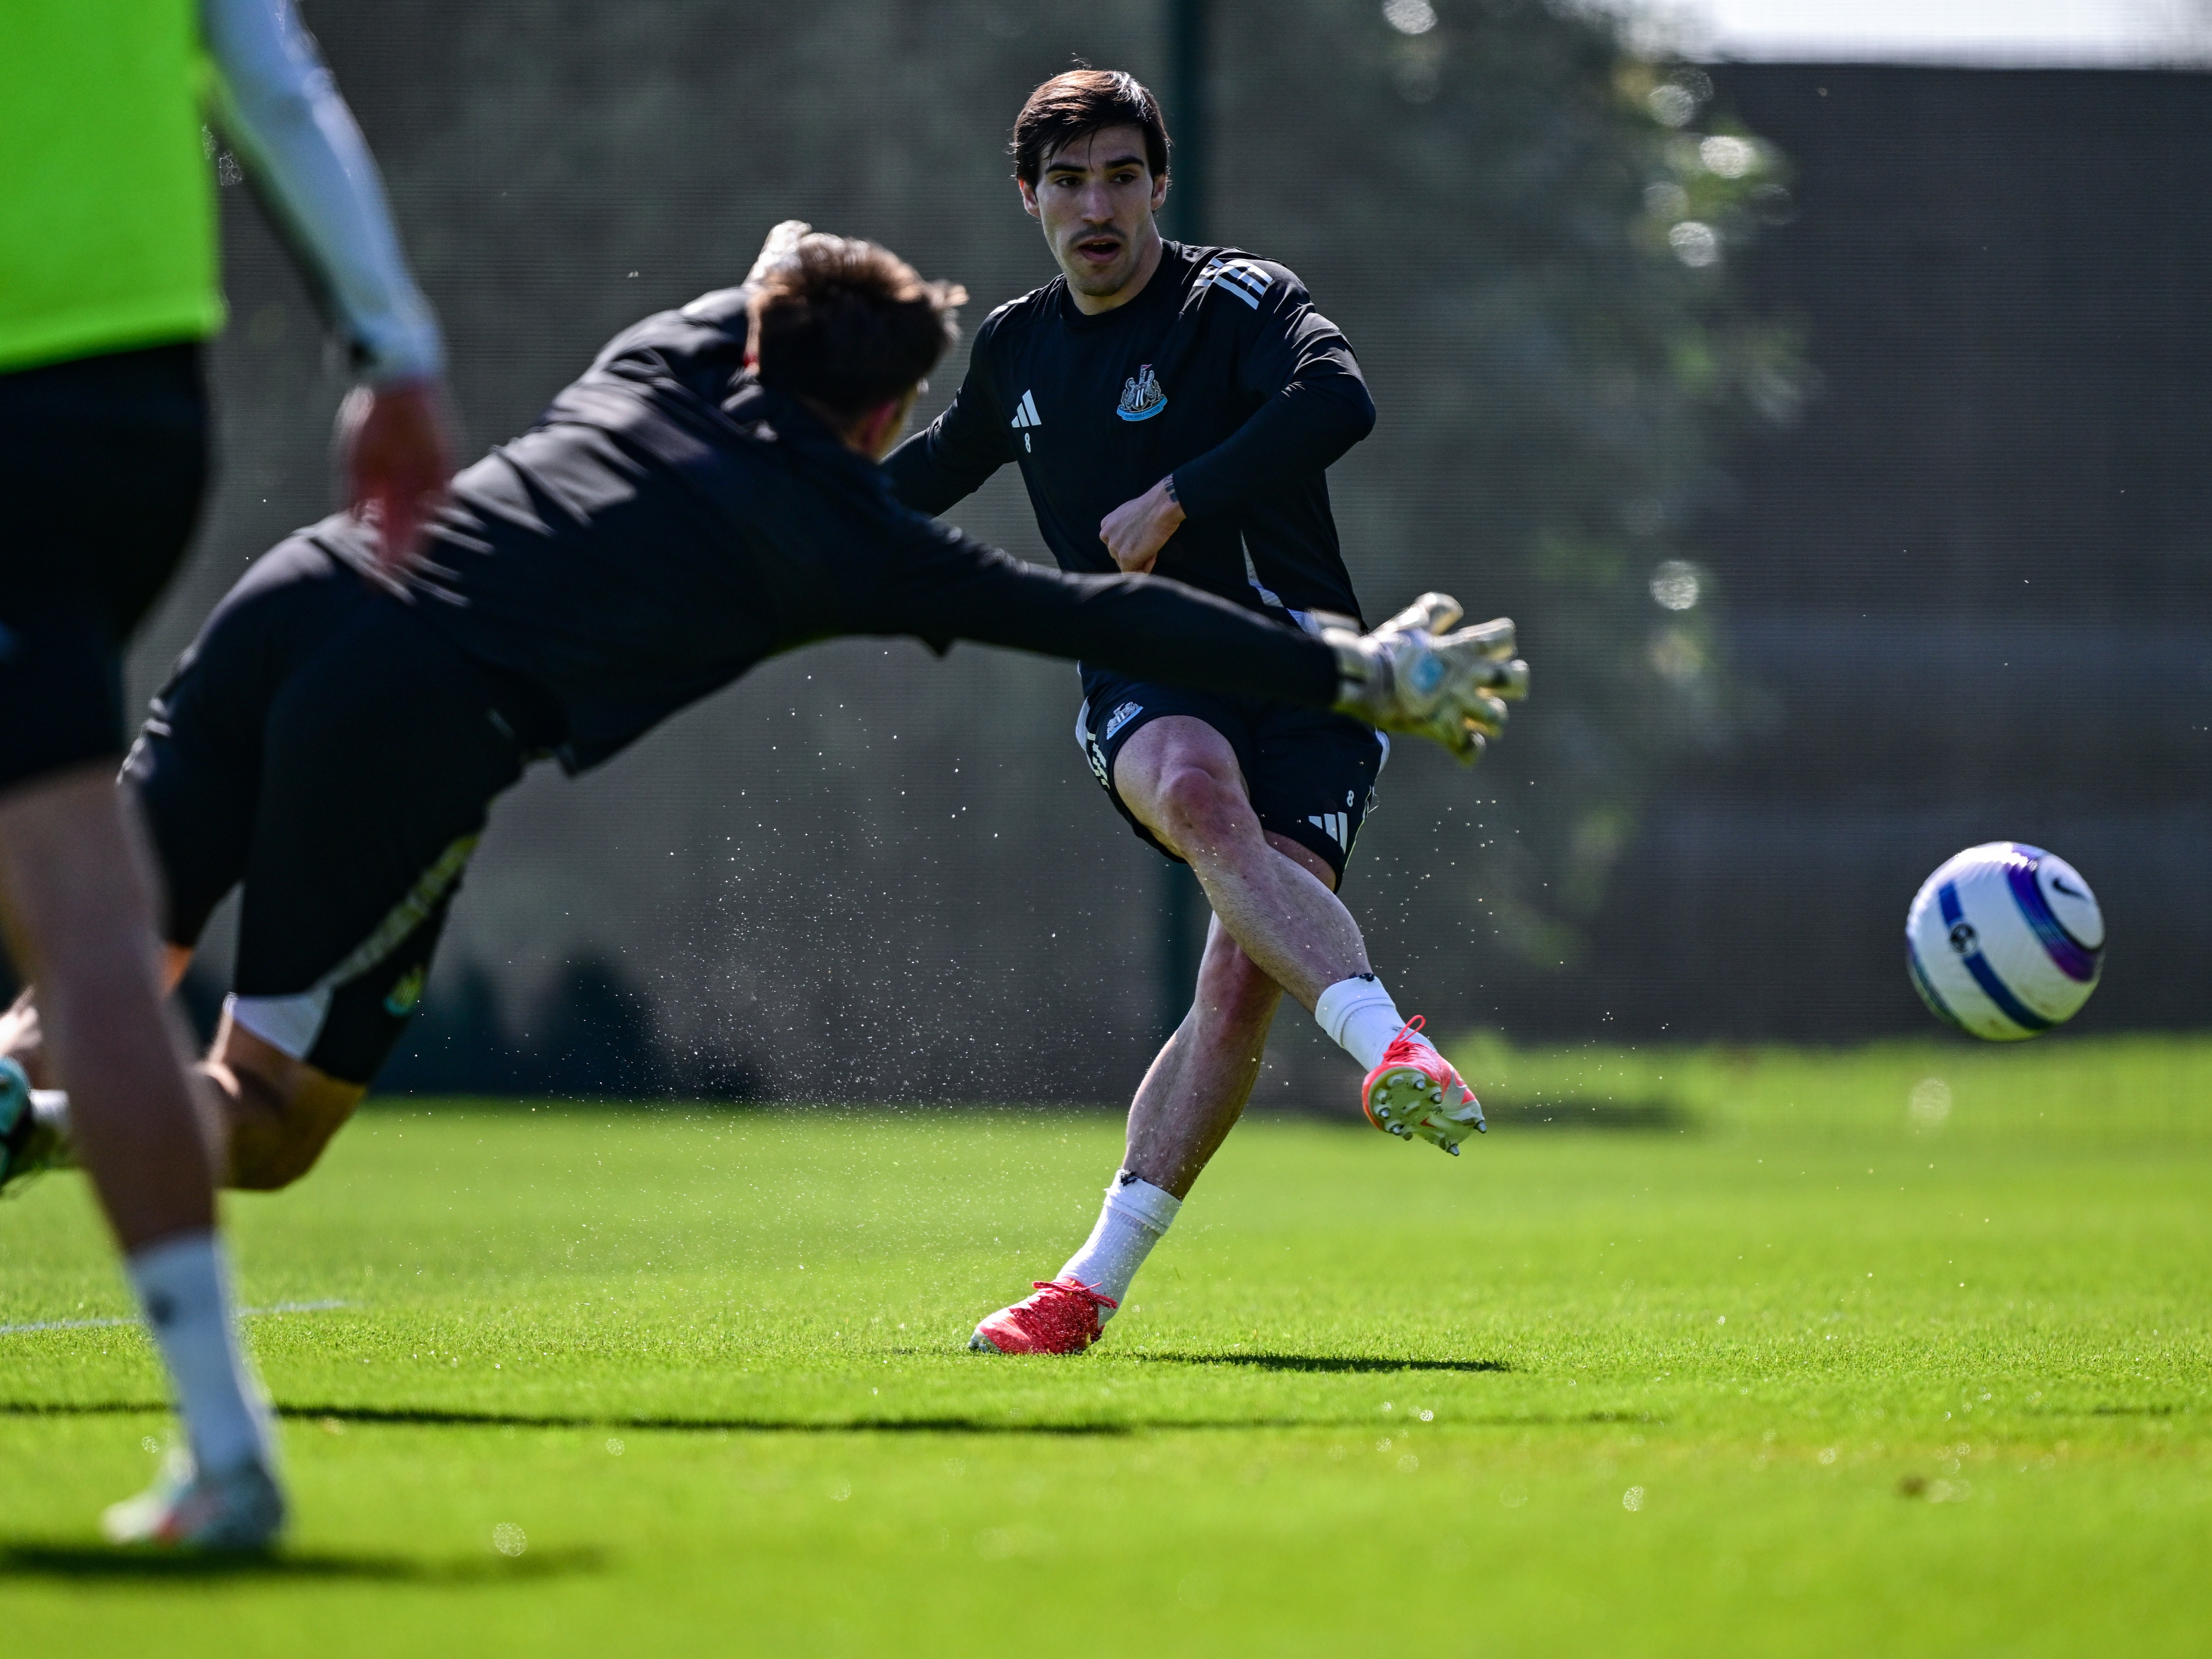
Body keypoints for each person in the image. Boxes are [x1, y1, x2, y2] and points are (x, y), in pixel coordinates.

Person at [0, 234, 1520, 1266]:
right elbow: (1124, 623)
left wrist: (809, 273)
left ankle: (14, 1092)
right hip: (415, 707)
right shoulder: (839, 538)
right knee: (264, 1122)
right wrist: (1349, 669)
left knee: (91, 970)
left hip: (304, 585)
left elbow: (773, 269)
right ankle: (55, 1137)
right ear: (877, 417)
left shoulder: (662, 357)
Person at [882, 70, 1525, 1357]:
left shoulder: (1238, 301)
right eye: (1066, 183)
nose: (1095, 205)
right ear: (1028, 198)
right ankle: (1387, 1043)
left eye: (1121, 175)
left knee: (1237, 980)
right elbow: (928, 475)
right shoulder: (1016, 347)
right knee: (1189, 789)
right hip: (1145, 677)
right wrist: (776, 530)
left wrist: (1180, 490)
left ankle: (1084, 1288)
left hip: (1306, 675)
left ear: (1158, 186)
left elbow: (1340, 401)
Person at [0, 0, 452, 1548]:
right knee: (74, 903)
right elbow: (271, 75)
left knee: (71, 899)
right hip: (132, 413)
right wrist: (393, 345)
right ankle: (218, 1444)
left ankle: (225, 1441)